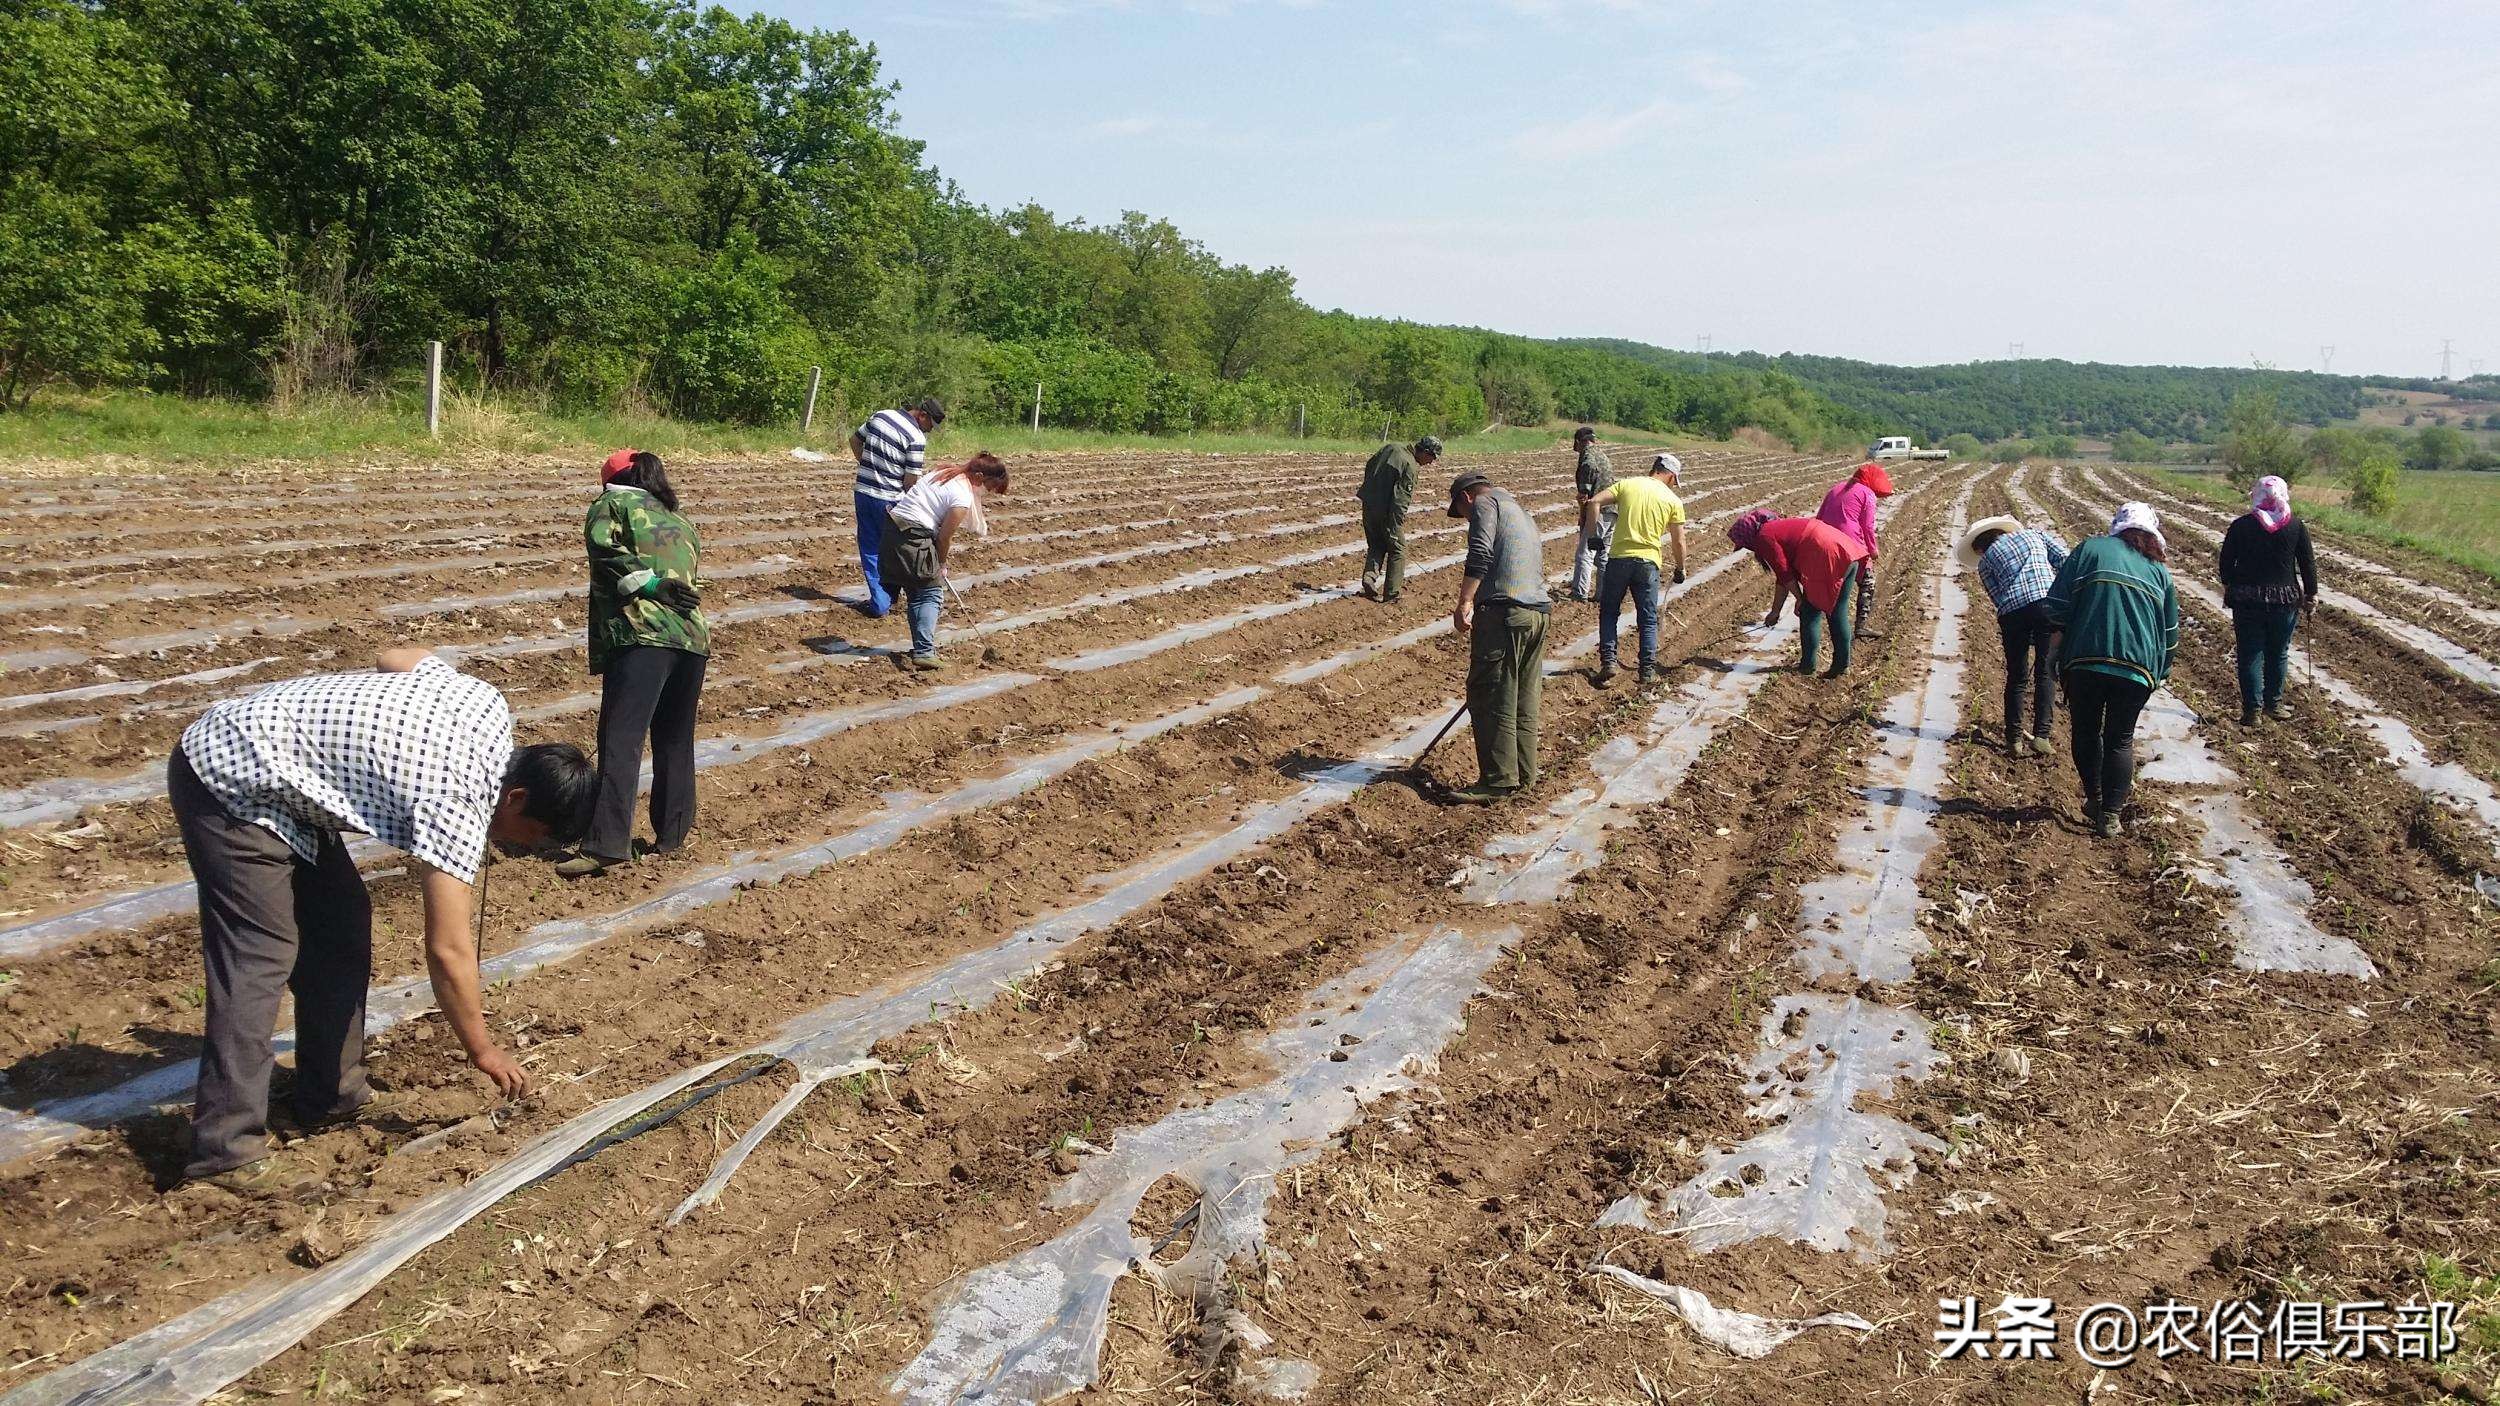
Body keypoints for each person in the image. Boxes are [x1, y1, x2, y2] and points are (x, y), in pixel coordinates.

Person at [170, 650, 594, 1190]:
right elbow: (447, 950)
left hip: (285, 781)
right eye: (535, 835)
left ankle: (332, 1095)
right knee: (259, 957)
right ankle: (224, 1152)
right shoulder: (455, 802)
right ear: (516, 797)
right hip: (228, 777)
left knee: (340, 929)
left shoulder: (487, 706)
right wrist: (482, 1049)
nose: (528, 848)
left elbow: (395, 656)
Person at [556, 450, 710, 879]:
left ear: (613, 479)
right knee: (675, 739)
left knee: (621, 740)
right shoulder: (681, 523)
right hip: (692, 640)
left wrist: (651, 584)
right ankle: (673, 835)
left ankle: (606, 844)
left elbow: (605, 554)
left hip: (643, 635)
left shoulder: (611, 504)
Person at [2045, 502, 2181, 839]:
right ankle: (2111, 815)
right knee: (2120, 739)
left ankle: (2095, 797)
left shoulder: (2090, 549)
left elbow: (2058, 607)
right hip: (2137, 667)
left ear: (2116, 526)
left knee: (2086, 731)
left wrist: (2053, 653)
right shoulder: (2159, 571)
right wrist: (2161, 671)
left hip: (2085, 660)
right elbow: (2170, 633)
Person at [1448, 471, 1550, 804]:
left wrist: (1465, 601)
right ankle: (1523, 774)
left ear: (1465, 498)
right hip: (1537, 614)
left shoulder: (1482, 504)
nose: (1466, 519)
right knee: (1521, 694)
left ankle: (1497, 780)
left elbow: (1480, 553)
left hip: (1504, 613)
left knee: (1489, 692)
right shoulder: (1519, 508)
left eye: (1461, 514)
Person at [881, 452, 1011, 669]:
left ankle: (922, 647)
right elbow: (944, 537)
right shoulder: (961, 497)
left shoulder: (945, 472)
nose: (986, 493)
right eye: (989, 487)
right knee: (930, 593)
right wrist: (941, 564)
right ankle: (923, 652)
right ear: (979, 477)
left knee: (918, 592)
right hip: (912, 537)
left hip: (893, 530)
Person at [1960, 514, 2071, 756]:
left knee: (2017, 676)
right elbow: (2065, 561)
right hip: (2047, 604)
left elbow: (1997, 597)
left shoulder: (1986, 561)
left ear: (1980, 547)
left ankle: (2014, 740)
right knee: (2045, 671)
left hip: (2012, 612)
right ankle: (2041, 737)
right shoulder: (2034, 534)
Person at [2216, 474, 2318, 726]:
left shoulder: (2241, 526)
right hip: (2285, 601)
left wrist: (2231, 584)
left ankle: (2252, 711)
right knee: (2278, 652)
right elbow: (2307, 564)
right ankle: (2274, 705)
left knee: (2250, 654)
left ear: (2257, 495)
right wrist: (2311, 594)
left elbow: (2226, 562)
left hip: (2248, 600)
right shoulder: (2296, 526)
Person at [1581, 453, 1689, 687]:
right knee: (1648, 620)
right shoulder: (1672, 501)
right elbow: (1679, 541)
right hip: (1648, 564)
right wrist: (1680, 569)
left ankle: (1609, 663)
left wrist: (1593, 536)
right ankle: (1646, 671)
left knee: (1609, 612)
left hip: (1618, 559)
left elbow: (1594, 502)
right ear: (1671, 476)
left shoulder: (1628, 484)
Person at [1726, 509, 1870, 678]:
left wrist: (1801, 599)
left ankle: (1808, 666)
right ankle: (1842, 665)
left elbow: (1785, 574)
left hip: (1826, 554)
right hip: (1845, 550)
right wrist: (1776, 611)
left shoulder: (1764, 538)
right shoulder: (1776, 528)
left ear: (1748, 536)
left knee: (1810, 613)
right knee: (1838, 611)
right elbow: (1783, 577)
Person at [848, 398, 944, 617]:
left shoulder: (880, 415)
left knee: (870, 548)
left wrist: (868, 467)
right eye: (931, 426)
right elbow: (911, 481)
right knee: (895, 549)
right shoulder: (916, 437)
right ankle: (894, 600)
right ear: (923, 416)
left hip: (863, 493)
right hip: (891, 500)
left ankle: (881, 598)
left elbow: (854, 441)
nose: (930, 431)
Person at [1356, 435, 1441, 602]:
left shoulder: (1391, 447)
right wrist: (1397, 523)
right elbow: (1401, 498)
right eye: (1432, 458)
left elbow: (1370, 466)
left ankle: (1369, 578)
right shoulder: (1410, 465)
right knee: (1398, 550)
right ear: (1425, 452)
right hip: (1387, 513)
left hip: (1368, 504)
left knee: (1377, 544)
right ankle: (1392, 594)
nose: (1431, 462)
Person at [1817, 461, 1894, 634]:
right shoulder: (1868, 494)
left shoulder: (1836, 489)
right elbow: (1867, 526)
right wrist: (1873, 550)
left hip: (1825, 540)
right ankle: (1861, 626)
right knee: (1867, 582)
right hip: (1851, 543)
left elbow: (1819, 516)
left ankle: (1820, 617)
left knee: (1827, 583)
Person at [1568, 426, 1615, 601]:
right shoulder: (1603, 456)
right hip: (1612, 511)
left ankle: (1580, 593)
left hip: (1598, 511)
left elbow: (1584, 495)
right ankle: (1602, 594)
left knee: (1585, 552)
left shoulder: (1587, 458)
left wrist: (1583, 514)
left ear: (1579, 442)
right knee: (1603, 554)